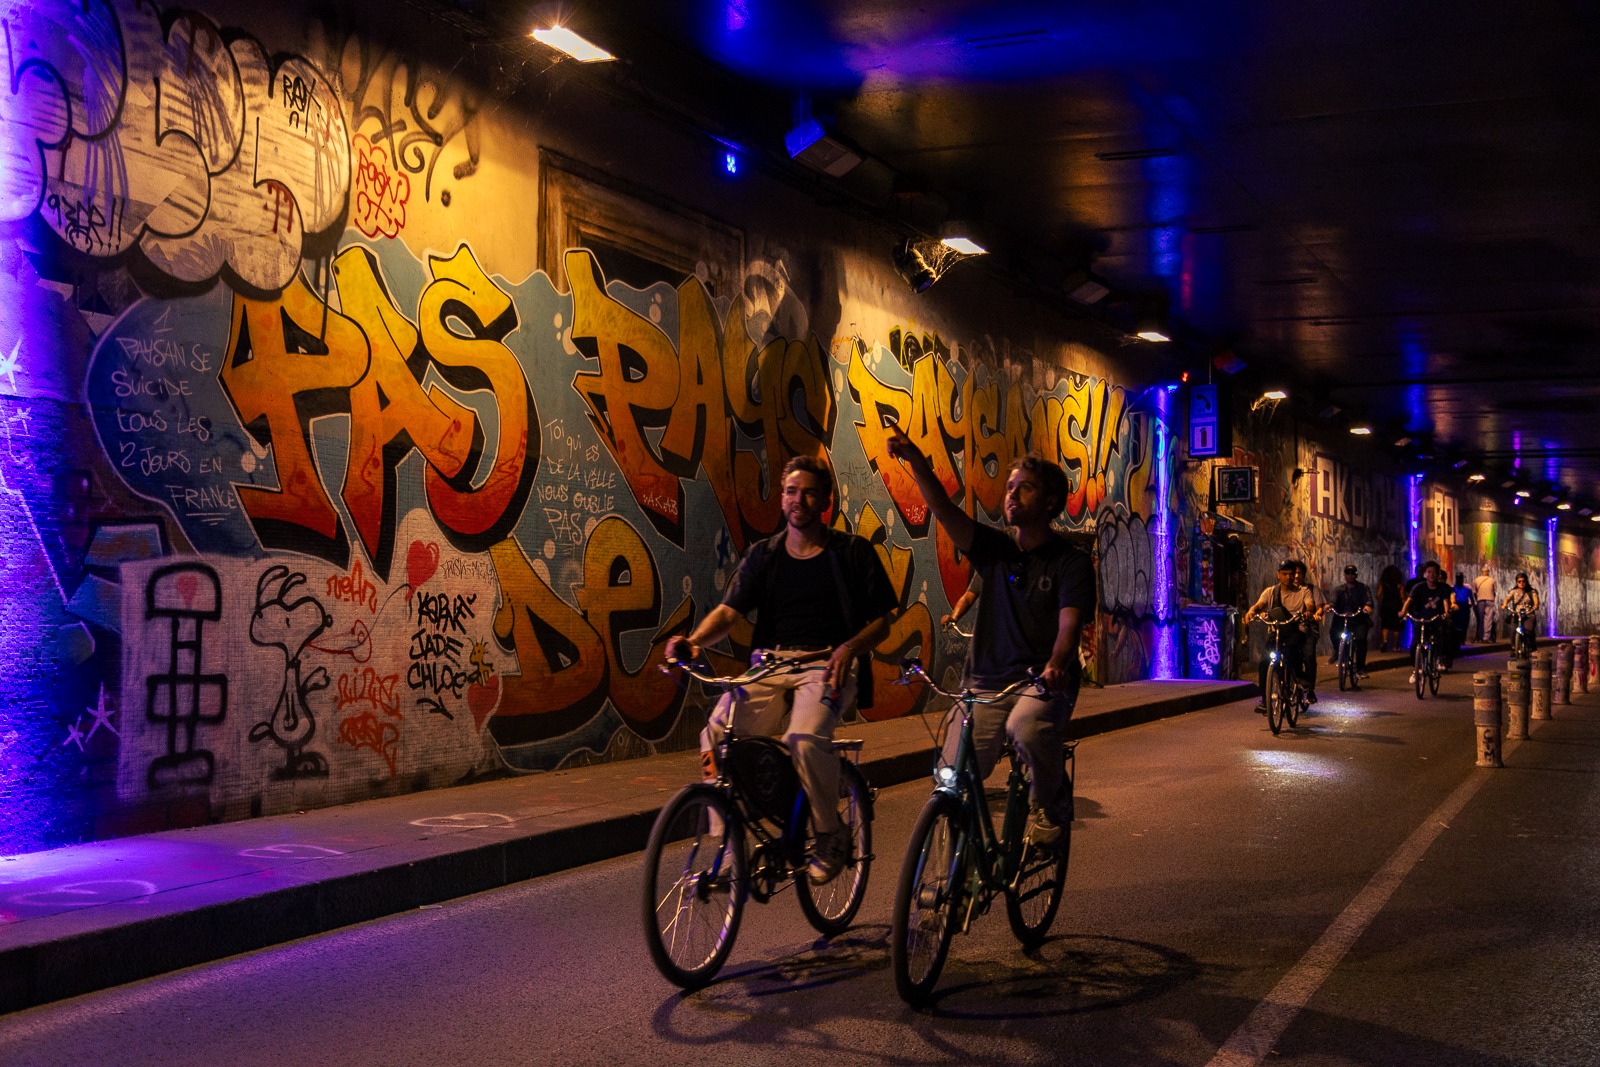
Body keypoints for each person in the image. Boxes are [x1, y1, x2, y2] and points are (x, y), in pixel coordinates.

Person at [665, 455, 898, 884]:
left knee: (804, 739)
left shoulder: (850, 553)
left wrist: (849, 647)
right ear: (782, 499)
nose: (798, 500)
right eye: (791, 491)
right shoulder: (765, 556)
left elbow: (882, 622)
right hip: (771, 666)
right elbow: (729, 612)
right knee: (716, 735)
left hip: (826, 665)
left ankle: (830, 833)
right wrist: (694, 641)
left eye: (809, 492)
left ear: (826, 500)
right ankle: (732, 840)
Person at [885, 424, 1094, 848]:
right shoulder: (994, 550)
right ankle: (947, 889)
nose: (1012, 495)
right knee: (951, 780)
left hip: (1039, 684)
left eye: (1026, 488)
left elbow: (1069, 626)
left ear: (1050, 502)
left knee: (1027, 729)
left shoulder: (1071, 564)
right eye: (1010, 487)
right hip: (983, 684)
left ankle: (1050, 804)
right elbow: (943, 510)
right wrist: (917, 462)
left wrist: (1056, 665)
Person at [1243, 560, 1323, 710]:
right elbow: (1259, 605)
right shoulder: (1270, 592)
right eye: (1284, 574)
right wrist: (1251, 611)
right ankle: (1265, 700)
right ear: (1278, 575)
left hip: (1297, 631)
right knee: (1264, 662)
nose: (1288, 577)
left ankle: (1300, 680)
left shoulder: (1303, 591)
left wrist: (1308, 612)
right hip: (1277, 631)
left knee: (1292, 652)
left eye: (1291, 574)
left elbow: (1310, 605)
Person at [1399, 561, 1452, 681]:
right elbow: (1409, 600)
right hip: (1421, 618)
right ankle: (1416, 669)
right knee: (1414, 644)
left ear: (1438, 574)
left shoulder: (1443, 588)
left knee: (1441, 633)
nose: (1431, 575)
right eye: (1429, 572)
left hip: (1436, 618)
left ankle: (1439, 658)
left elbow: (1445, 601)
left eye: (1434, 572)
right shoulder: (1418, 587)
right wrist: (1403, 612)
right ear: (1425, 574)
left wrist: (1446, 612)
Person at [1328, 564, 1373, 675]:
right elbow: (1333, 601)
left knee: (1361, 640)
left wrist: (1367, 607)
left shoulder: (1363, 588)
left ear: (1356, 575)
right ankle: (1338, 652)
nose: (1350, 575)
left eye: (1353, 573)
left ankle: (1360, 668)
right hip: (1342, 619)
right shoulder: (1339, 589)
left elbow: (1368, 600)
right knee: (1333, 633)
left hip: (1358, 619)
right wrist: (1329, 606)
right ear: (1344, 575)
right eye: (1348, 573)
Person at [1501, 572, 1540, 645]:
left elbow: (1535, 599)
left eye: (1523, 581)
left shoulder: (1531, 591)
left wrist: (1536, 605)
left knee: (1529, 630)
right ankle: (1513, 647)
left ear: (1526, 581)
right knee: (1513, 631)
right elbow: (1507, 598)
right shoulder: (1513, 591)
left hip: (1528, 614)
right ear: (1516, 582)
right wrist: (1504, 605)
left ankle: (1531, 646)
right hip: (1517, 614)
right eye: (1519, 581)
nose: (1521, 583)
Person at [1376, 564, 1405, 652]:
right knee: (1396, 627)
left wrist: (1381, 603)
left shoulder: (1383, 584)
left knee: (1385, 625)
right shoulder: (1399, 585)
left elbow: (1378, 595)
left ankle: (1385, 641)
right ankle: (1395, 646)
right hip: (1397, 607)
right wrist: (1404, 608)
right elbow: (1402, 597)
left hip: (1386, 606)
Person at [1448, 571, 1473, 666]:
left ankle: (1462, 639)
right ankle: (1458, 640)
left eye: (1460, 578)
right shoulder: (1452, 589)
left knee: (1464, 623)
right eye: (1458, 578)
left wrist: (1472, 606)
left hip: (1464, 606)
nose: (1459, 579)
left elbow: (1471, 599)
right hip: (1456, 606)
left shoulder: (1467, 589)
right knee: (1456, 624)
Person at [1470, 564, 1498, 642]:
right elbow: (1494, 591)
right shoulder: (1492, 580)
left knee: (1480, 619)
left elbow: (1474, 592)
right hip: (1489, 600)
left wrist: (1477, 599)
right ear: (1488, 572)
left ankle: (1479, 637)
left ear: (1481, 572)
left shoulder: (1476, 580)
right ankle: (1486, 638)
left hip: (1480, 601)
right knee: (1488, 620)